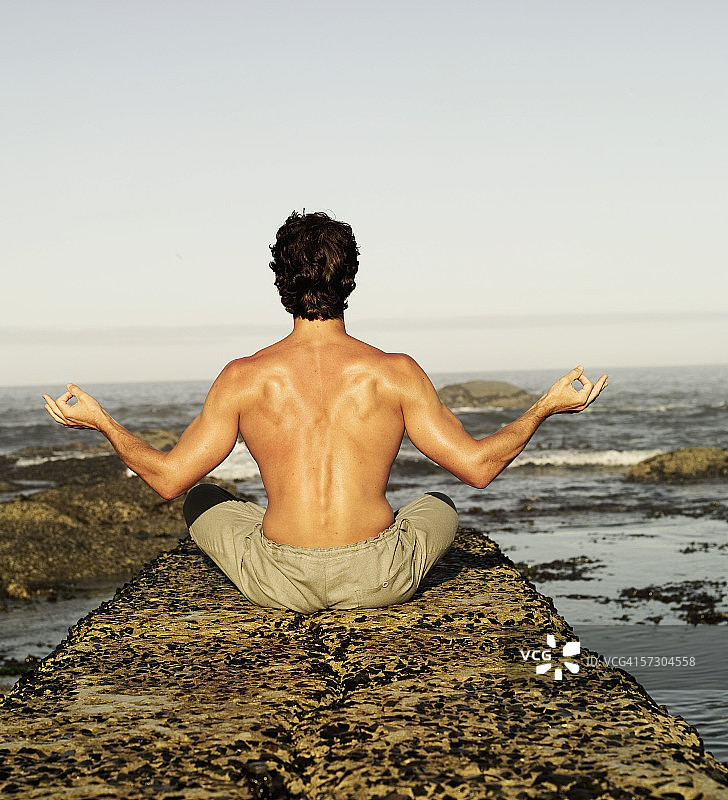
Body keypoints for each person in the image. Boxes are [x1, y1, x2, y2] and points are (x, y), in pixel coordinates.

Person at [43, 210, 607, 614]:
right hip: (378, 577)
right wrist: (546, 406)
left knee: (204, 497)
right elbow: (479, 468)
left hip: (279, 581)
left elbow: (167, 480)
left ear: (280, 282)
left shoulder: (242, 377)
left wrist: (101, 421)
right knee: (439, 503)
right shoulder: (395, 372)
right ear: (350, 279)